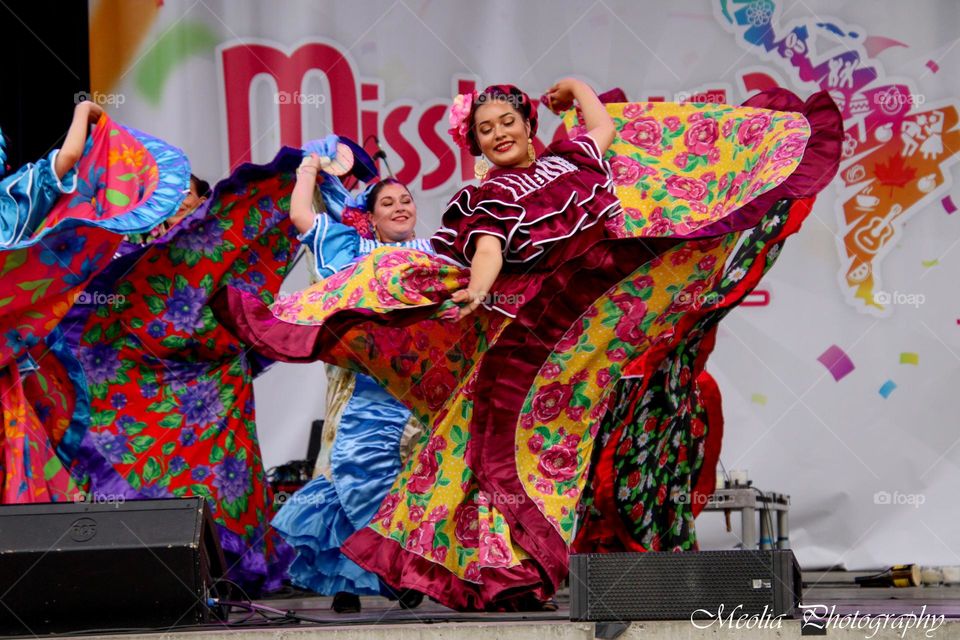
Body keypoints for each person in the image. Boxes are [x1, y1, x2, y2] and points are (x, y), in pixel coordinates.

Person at [215, 81, 842, 610]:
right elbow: (487, 248)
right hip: (522, 334)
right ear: (478, 145)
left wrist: (576, 87)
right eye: (485, 130)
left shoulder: (571, 162)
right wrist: (479, 291)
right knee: (493, 450)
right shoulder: (485, 197)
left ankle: (610, 561)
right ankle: (504, 572)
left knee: (588, 441)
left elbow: (600, 129)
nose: (498, 133)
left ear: (528, 124)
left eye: (507, 121)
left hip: (591, 322)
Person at [272, 152, 430, 613]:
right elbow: (302, 215)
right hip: (359, 385)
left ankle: (402, 571)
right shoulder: (353, 252)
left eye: (406, 200)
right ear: (372, 217)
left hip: (415, 390)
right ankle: (343, 576)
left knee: (408, 481)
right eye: (388, 204)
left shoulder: (437, 252)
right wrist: (307, 170)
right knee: (346, 476)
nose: (401, 208)